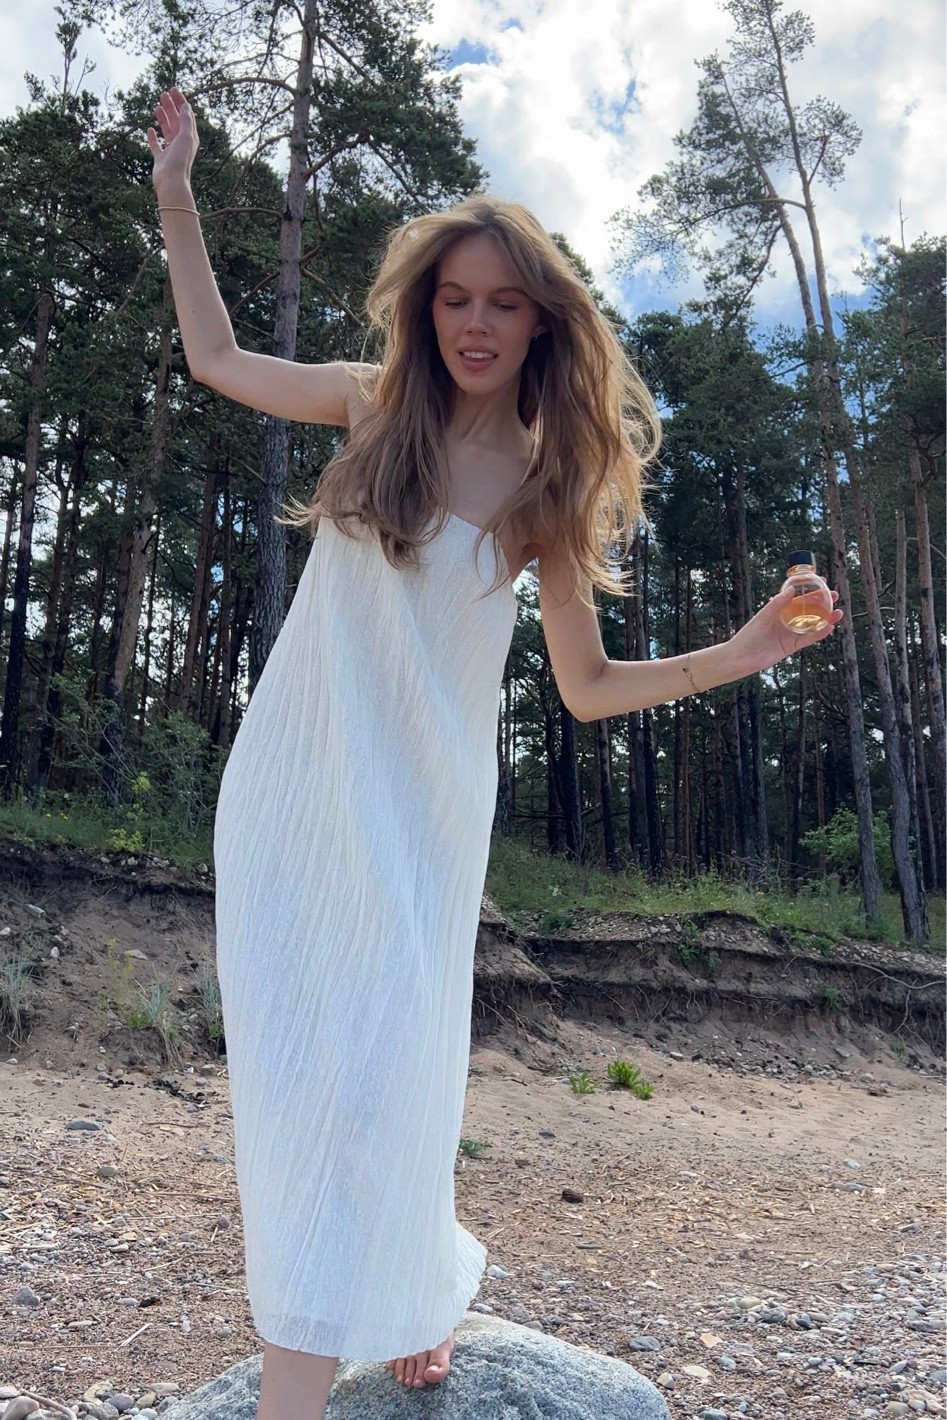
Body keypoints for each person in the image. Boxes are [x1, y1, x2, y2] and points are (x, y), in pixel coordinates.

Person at [147, 86, 842, 1420]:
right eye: (455, 298)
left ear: (540, 323)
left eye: (503, 303)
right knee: (305, 1080)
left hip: (423, 819)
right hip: (296, 799)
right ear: (427, 310)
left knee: (393, 1068)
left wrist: (748, 648)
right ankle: (356, 1337)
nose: (474, 322)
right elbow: (219, 359)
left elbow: (585, 690)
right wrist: (178, 190)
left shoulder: (542, 490)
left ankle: (395, 1305)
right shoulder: (368, 409)